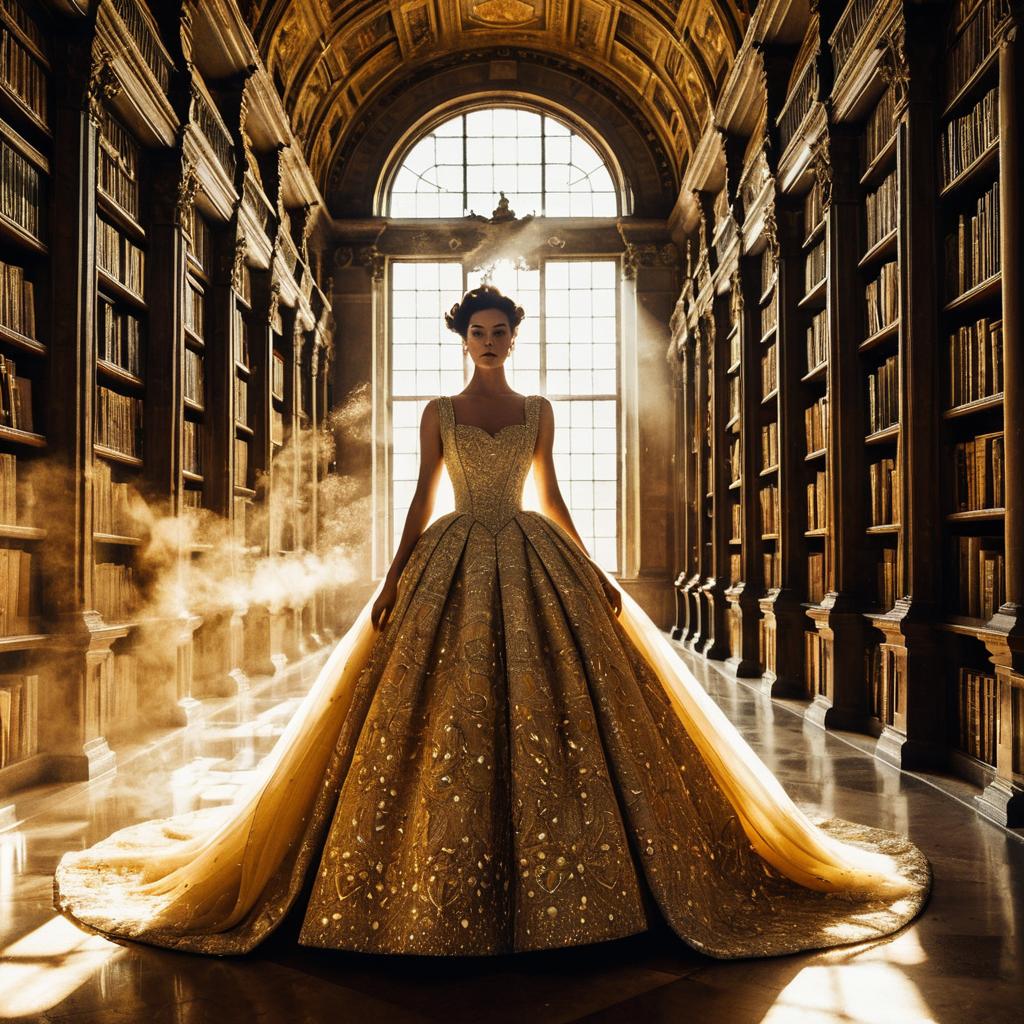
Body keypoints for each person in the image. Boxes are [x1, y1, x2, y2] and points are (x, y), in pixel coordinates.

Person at [53, 285, 930, 958]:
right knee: (438, 709)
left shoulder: (539, 411)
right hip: (450, 551)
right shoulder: (437, 414)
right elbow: (417, 501)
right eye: (479, 331)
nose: (491, 341)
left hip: (531, 548)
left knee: (570, 706)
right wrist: (393, 579)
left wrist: (591, 569)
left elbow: (554, 497)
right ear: (462, 339)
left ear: (514, 337)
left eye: (501, 330)